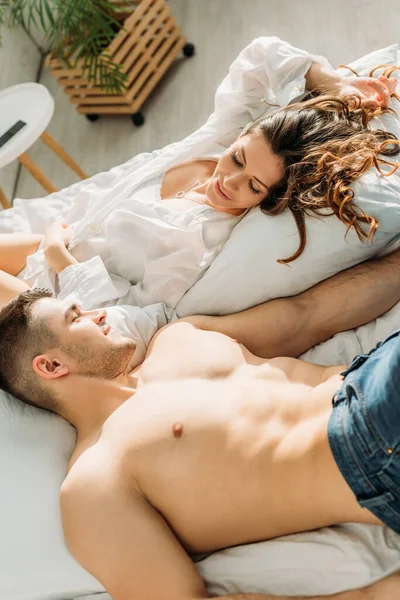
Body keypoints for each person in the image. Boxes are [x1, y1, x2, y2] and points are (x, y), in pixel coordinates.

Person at [1, 243, 400, 600]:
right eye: (76, 317)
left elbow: (306, 316)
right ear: (51, 366)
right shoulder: (96, 480)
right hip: (364, 445)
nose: (98, 313)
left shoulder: (178, 337)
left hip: (376, 369)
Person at [0, 37, 399, 310]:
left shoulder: (200, 239)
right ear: (241, 135)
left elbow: (126, 311)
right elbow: (261, 54)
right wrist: (330, 80)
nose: (229, 182)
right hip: (55, 240)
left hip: (52, 293)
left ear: (271, 197)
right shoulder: (217, 139)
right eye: (238, 160)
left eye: (254, 186)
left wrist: (59, 257)